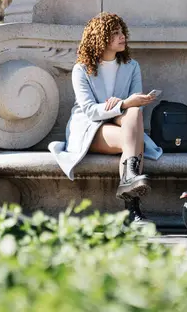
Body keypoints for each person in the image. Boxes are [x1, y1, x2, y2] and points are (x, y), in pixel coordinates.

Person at [49, 12, 163, 223]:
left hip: (123, 122)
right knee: (134, 140)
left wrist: (124, 105)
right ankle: (133, 210)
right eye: (115, 33)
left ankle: (130, 180)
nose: (122, 37)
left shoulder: (132, 66)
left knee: (135, 114)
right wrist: (123, 103)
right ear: (100, 38)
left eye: (122, 32)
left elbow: (135, 104)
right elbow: (91, 111)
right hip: (90, 128)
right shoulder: (81, 70)